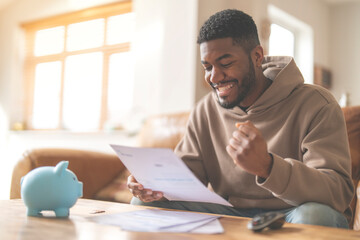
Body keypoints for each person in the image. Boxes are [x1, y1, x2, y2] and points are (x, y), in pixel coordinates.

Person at [127, 9, 354, 228]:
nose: (214, 77)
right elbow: (183, 180)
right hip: (230, 212)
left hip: (293, 213)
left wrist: (268, 167)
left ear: (257, 56)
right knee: (144, 204)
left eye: (225, 64)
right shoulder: (205, 110)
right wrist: (152, 185)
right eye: (207, 67)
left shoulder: (317, 103)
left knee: (315, 214)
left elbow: (338, 191)